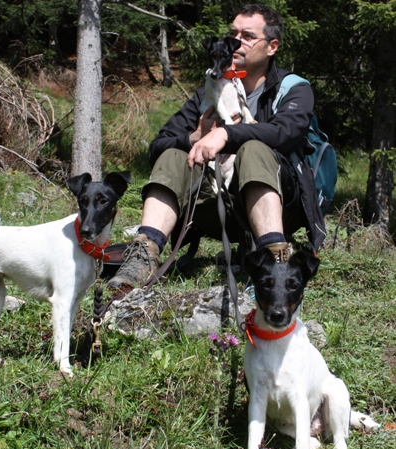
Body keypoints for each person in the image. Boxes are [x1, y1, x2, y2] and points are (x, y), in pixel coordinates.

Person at [108, 3, 326, 290]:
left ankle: (276, 261)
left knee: (255, 147)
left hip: (282, 204)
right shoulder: (207, 92)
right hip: (216, 206)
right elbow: (157, 146)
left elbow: (287, 131)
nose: (237, 42)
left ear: (272, 46)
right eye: (233, 33)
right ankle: (143, 255)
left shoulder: (293, 88)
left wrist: (227, 133)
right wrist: (195, 136)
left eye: (248, 36)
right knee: (174, 153)